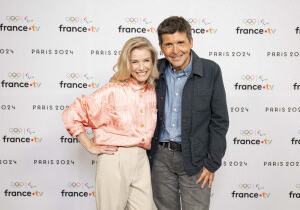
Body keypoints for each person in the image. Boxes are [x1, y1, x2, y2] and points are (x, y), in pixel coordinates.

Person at [62, 37, 159, 210]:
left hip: (142, 159)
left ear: (153, 62)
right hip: (115, 158)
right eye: (134, 62)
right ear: (127, 64)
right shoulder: (113, 90)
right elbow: (72, 114)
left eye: (146, 61)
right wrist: (91, 146)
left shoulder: (153, 90)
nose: (141, 67)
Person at [148, 16, 229, 210]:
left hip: (196, 159)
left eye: (181, 43)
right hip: (160, 158)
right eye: (168, 44)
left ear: (191, 42)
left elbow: (219, 121)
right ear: (161, 46)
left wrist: (212, 163)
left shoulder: (211, 71)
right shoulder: (153, 70)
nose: (175, 51)